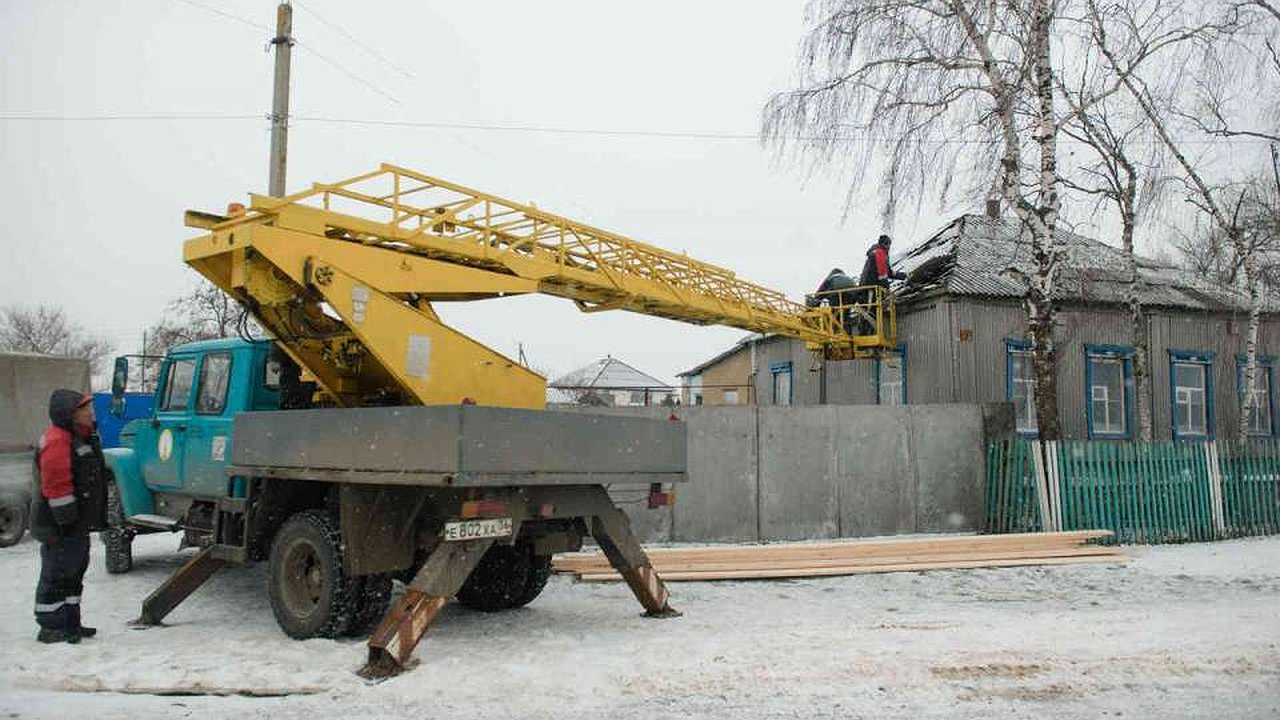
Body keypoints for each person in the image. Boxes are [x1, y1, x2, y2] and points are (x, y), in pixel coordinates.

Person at [31, 389, 108, 644]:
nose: (91, 413)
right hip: (60, 526)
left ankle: (70, 622)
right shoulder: (58, 440)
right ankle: (51, 627)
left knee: (73, 572)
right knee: (56, 574)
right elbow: (56, 485)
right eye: (86, 409)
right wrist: (66, 522)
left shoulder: (80, 437)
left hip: (75, 525)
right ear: (71, 414)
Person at [855, 234, 908, 335]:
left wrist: (903, 276)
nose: (889, 248)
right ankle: (865, 336)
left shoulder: (878, 253)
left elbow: (889, 272)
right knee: (869, 312)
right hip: (869, 289)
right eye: (889, 245)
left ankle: (867, 334)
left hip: (869, 288)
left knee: (870, 312)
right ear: (886, 244)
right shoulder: (879, 252)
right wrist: (887, 290)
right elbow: (882, 274)